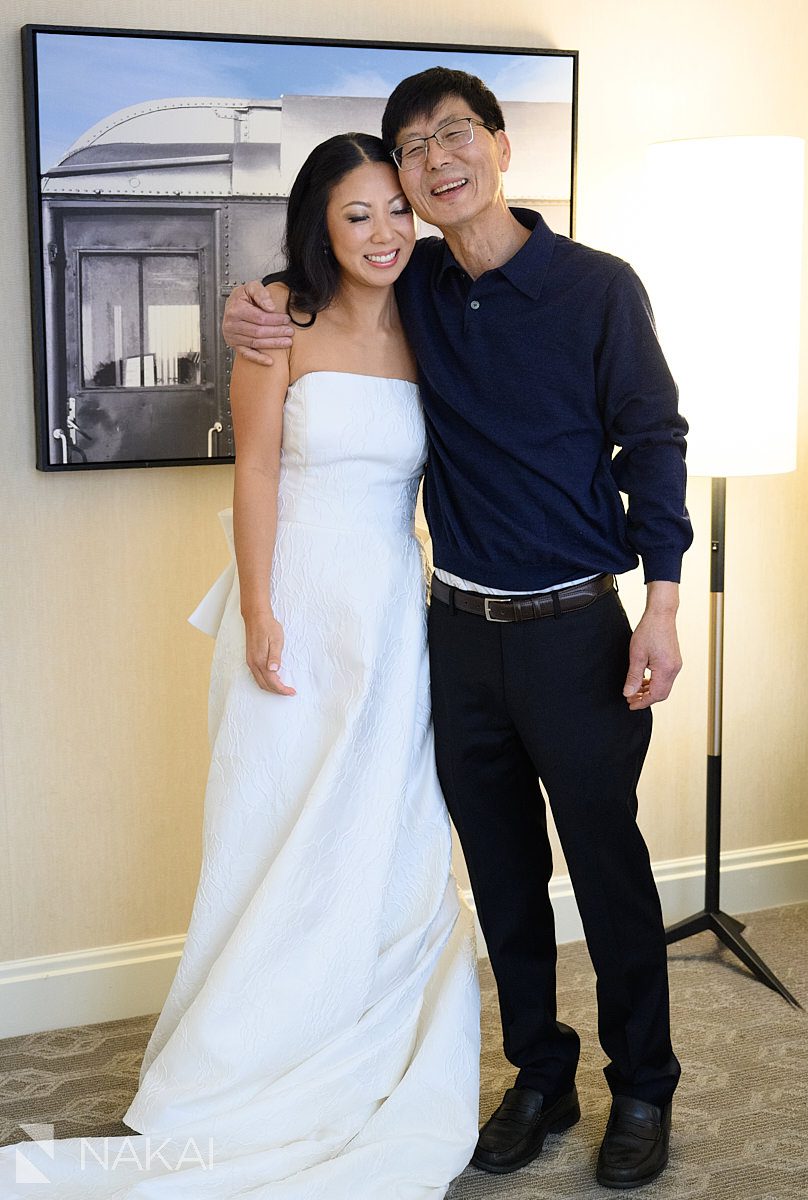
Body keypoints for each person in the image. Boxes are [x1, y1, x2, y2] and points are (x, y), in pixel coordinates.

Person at [223, 67, 694, 1191]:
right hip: (455, 636)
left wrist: (664, 606)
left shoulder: (596, 287)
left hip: (577, 632)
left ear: (497, 147)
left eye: (453, 136)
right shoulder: (416, 283)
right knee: (500, 874)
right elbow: (321, 285)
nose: (435, 162)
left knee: (607, 865)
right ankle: (540, 1074)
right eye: (412, 148)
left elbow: (656, 441)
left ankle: (643, 1084)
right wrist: (253, 300)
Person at [0, 133, 480, 1199]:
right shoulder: (278, 324)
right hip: (296, 600)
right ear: (318, 227)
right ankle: (246, 1058)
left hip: (393, 612)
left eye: (395, 210)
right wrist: (259, 608)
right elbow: (255, 466)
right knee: (271, 832)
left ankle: (366, 1043)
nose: (384, 232)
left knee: (388, 835)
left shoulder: (437, 319)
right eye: (355, 215)